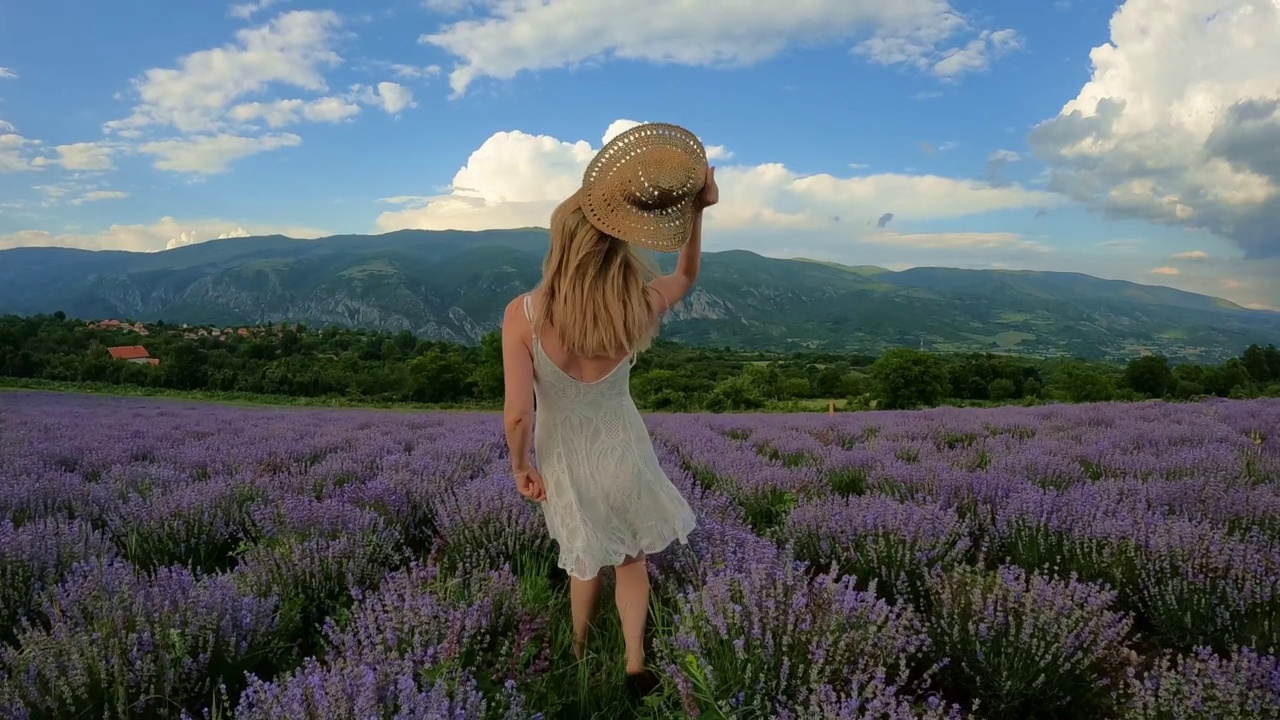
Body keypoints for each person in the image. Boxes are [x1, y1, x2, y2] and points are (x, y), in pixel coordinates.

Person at [500, 122, 718, 699]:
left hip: (565, 458)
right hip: (624, 449)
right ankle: (632, 658)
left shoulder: (523, 313)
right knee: (630, 557)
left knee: (582, 558)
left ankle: (575, 652)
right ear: (614, 244)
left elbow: (518, 411)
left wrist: (521, 465)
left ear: (560, 243)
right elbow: (686, 274)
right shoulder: (635, 305)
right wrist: (697, 211)